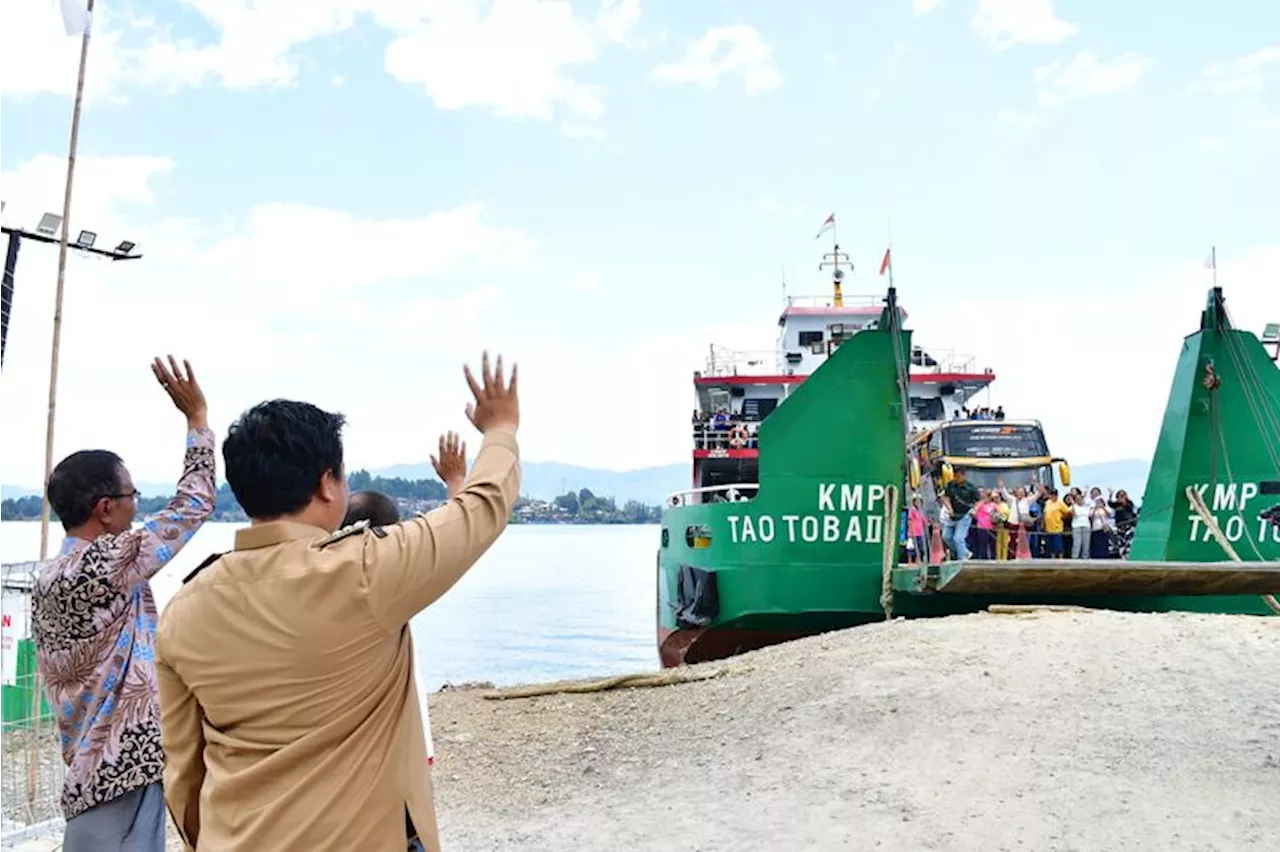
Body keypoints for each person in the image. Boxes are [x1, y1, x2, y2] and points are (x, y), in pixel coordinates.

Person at [155, 352, 520, 852]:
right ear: (327, 482)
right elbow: (480, 510)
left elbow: (183, 770)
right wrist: (500, 429)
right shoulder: (365, 573)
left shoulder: (184, 609)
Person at [29, 357, 215, 852]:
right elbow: (193, 505)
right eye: (131, 495)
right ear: (105, 509)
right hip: (122, 771)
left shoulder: (49, 578)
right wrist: (197, 421)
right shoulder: (108, 566)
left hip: (87, 769)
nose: (138, 506)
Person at [340, 431, 469, 773]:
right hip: (399, 753)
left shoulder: (325, 582)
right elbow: (457, 534)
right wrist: (457, 481)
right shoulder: (394, 582)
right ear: (393, 534)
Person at [941, 468, 979, 560]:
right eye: (955, 476)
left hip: (965, 514)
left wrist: (975, 510)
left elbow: (979, 501)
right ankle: (964, 552)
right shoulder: (951, 485)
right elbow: (945, 497)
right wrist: (949, 508)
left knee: (958, 538)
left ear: (963, 475)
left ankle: (962, 558)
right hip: (953, 514)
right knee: (946, 536)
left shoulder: (971, 487)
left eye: (958, 477)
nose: (956, 479)